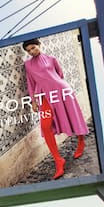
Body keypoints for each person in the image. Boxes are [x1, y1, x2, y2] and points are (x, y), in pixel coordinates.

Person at [22, 37, 88, 179]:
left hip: (61, 91)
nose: (31, 51)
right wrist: (33, 101)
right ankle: (58, 160)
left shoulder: (52, 59)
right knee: (46, 127)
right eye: (28, 51)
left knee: (73, 117)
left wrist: (57, 87)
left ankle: (81, 141)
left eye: (33, 47)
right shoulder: (28, 65)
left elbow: (60, 75)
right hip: (44, 96)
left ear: (39, 45)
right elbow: (30, 83)